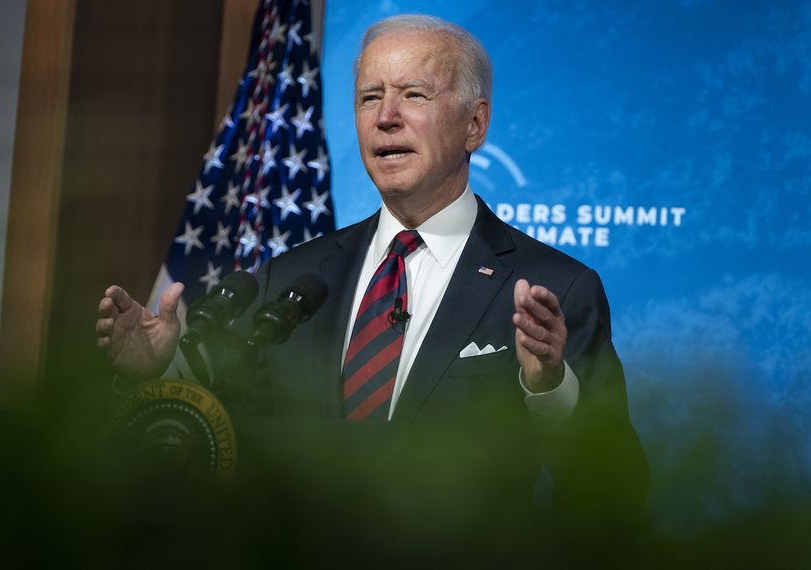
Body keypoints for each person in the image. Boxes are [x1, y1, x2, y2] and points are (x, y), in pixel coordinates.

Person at [97, 15, 647, 520]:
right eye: (369, 97)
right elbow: (225, 443)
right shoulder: (291, 277)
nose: (386, 117)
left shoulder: (556, 287)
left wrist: (549, 387)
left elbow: (612, 493)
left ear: (474, 125)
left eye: (413, 94)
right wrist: (159, 374)